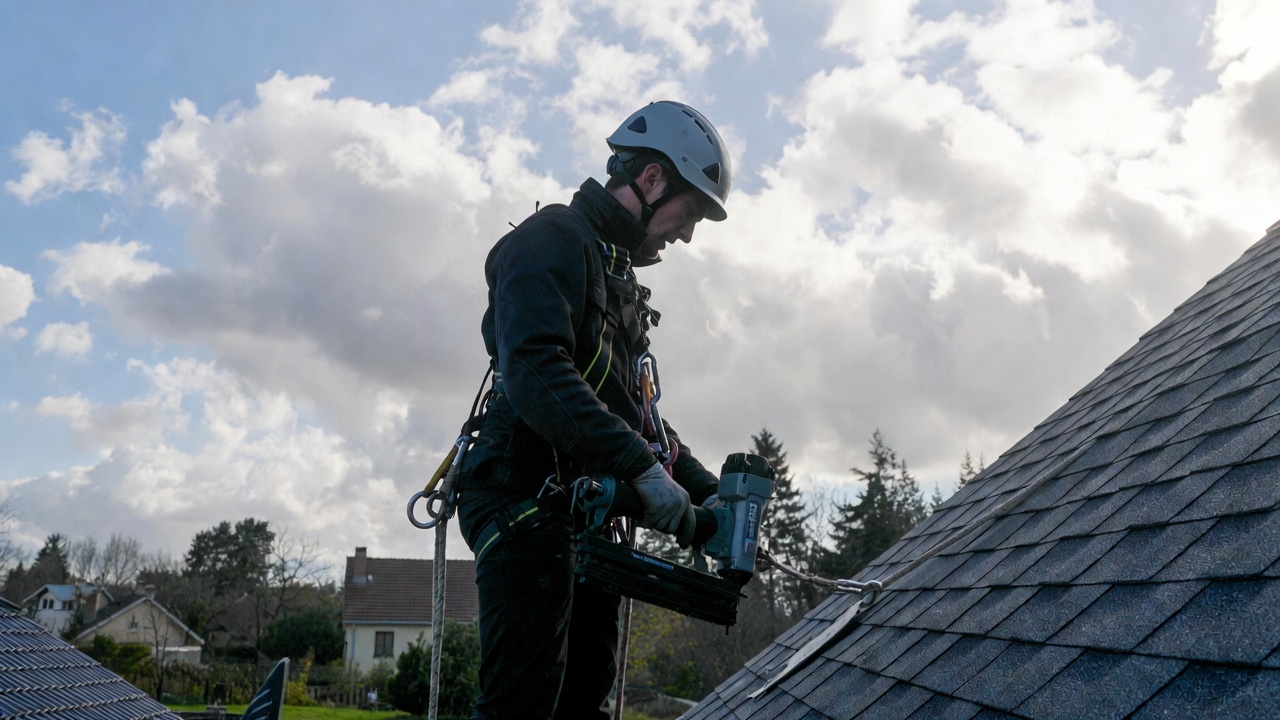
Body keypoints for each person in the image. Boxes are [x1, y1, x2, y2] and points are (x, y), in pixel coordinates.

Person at [455, 101, 733, 719]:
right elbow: (535, 369)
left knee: (584, 704)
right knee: (522, 707)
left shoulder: (613, 274)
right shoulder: (550, 240)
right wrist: (638, 467)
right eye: (690, 213)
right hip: (524, 498)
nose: (687, 235)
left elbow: (637, 416)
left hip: (584, 515)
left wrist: (708, 491)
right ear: (653, 179)